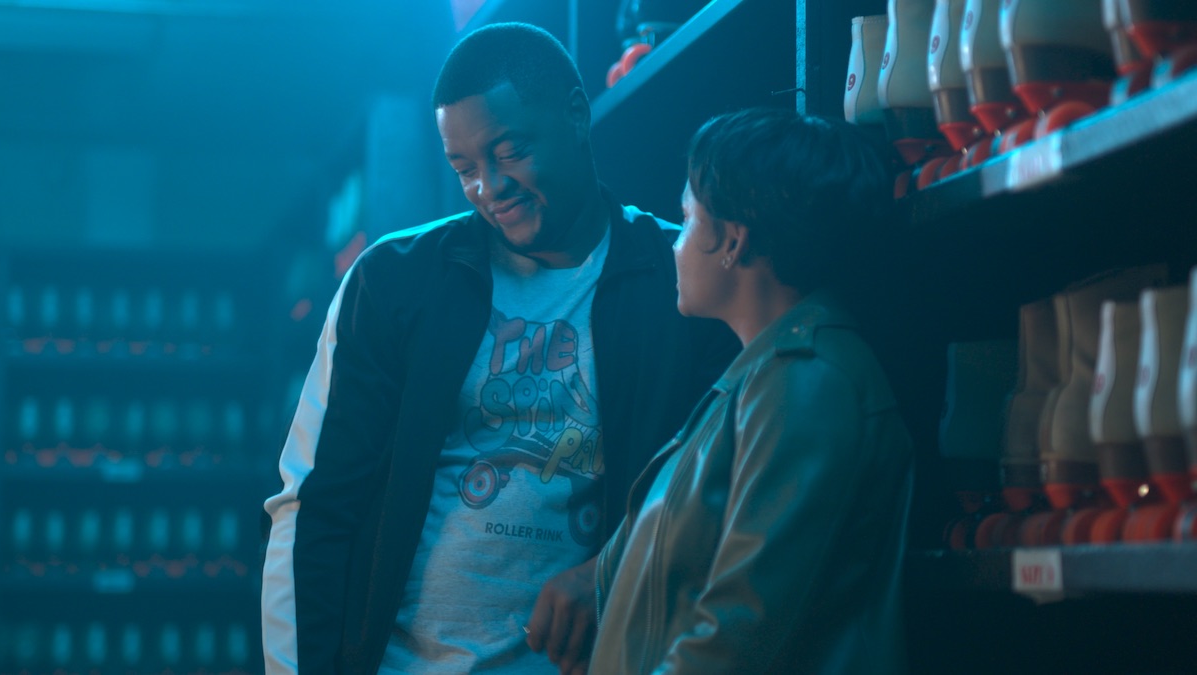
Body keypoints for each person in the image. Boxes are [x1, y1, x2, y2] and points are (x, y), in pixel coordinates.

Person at [260, 22, 738, 675]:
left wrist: (617, 565)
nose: (489, 187)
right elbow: (312, 504)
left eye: (509, 152)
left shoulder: (676, 277)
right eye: (464, 169)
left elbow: (735, 481)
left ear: (575, 112)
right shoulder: (394, 281)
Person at [588, 107, 915, 674]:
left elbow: (741, 626)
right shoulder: (764, 377)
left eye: (686, 220)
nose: (674, 244)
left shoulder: (806, 380)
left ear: (734, 242)